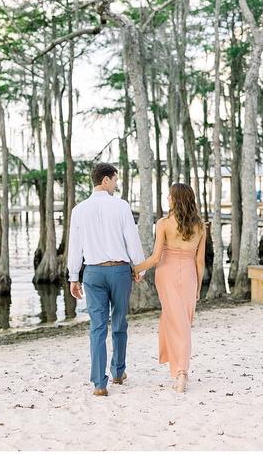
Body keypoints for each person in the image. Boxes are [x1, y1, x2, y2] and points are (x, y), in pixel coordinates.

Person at [67, 162, 146, 397]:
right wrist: (139, 267)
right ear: (105, 180)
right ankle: (118, 372)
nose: (116, 183)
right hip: (119, 271)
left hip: (92, 273)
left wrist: (73, 277)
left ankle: (99, 385)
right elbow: (132, 239)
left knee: (97, 328)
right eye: (115, 179)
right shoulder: (121, 206)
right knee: (120, 323)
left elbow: (75, 247)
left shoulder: (79, 209)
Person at [132, 183, 206, 393]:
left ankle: (181, 372)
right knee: (181, 322)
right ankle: (181, 369)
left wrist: (136, 269)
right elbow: (200, 262)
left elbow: (156, 258)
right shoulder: (200, 226)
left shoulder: (164, 223)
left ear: (176, 199)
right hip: (190, 275)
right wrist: (198, 286)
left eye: (170, 196)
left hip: (167, 273)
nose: (167, 198)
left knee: (176, 322)